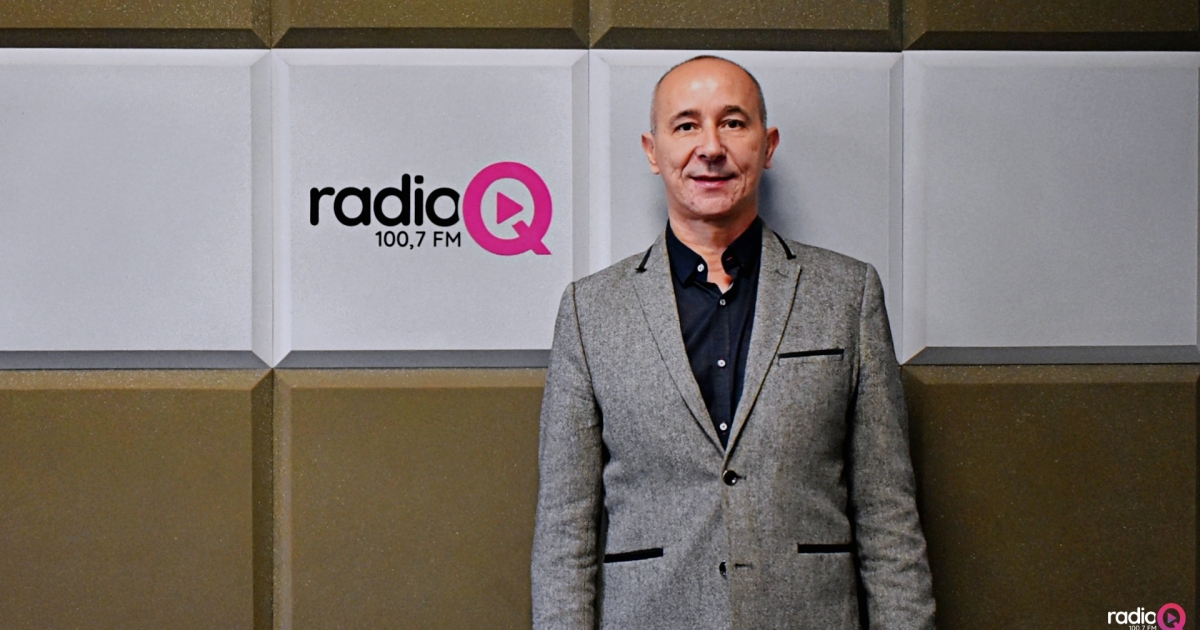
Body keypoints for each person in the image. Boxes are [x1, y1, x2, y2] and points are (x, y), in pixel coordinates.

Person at [531, 55, 935, 629]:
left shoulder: (849, 294)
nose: (711, 147)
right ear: (653, 150)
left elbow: (887, 514)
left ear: (767, 145)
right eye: (686, 125)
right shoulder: (589, 311)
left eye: (733, 122)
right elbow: (563, 532)